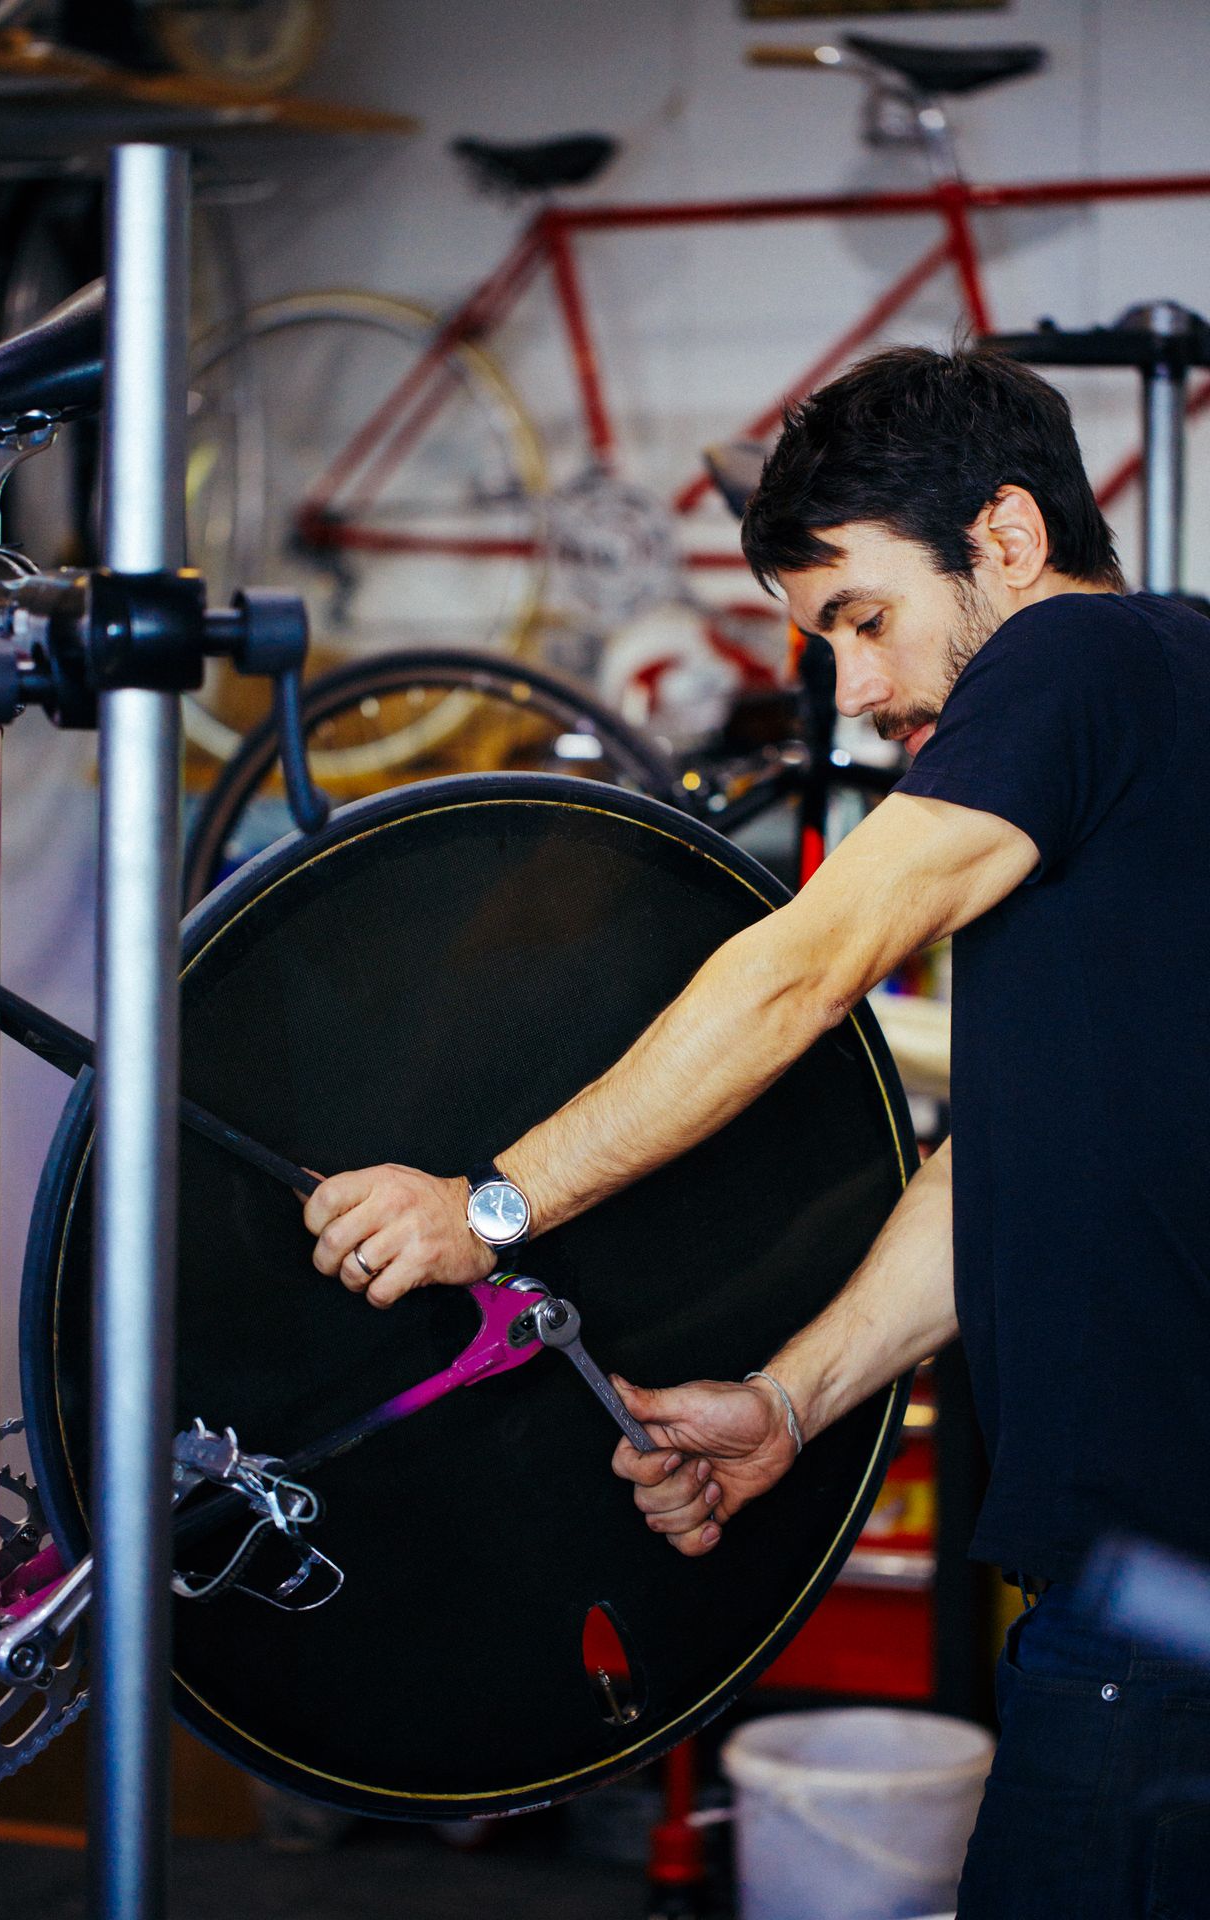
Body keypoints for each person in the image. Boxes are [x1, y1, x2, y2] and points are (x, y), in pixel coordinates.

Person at [302, 346, 1210, 1918]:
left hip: (1169, 1583)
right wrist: (792, 1403)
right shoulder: (1155, 713)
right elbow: (1011, 1163)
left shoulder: (1076, 661)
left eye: (862, 617)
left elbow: (803, 964)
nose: (855, 690)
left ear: (1002, 535)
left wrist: (491, 1210)